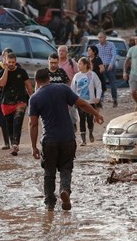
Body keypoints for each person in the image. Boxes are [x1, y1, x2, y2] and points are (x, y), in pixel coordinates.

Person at [28, 68, 104, 211]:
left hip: (49, 140)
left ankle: (50, 203)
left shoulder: (35, 98)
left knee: (49, 172)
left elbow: (33, 124)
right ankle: (65, 190)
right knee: (66, 168)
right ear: (49, 78)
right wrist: (96, 115)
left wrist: (33, 147)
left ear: (37, 82)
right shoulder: (62, 89)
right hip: (68, 138)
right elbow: (81, 104)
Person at [0, 52, 34, 156]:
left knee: (17, 123)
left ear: (16, 62)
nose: (11, 64)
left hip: (20, 101)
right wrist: (6, 70)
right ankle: (13, 143)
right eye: (9, 62)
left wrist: (33, 98)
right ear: (5, 62)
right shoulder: (1, 72)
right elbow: (2, 84)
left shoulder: (22, 72)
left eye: (13, 62)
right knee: (9, 125)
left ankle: (15, 144)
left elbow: (28, 86)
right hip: (6, 102)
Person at [71, 57, 102, 146]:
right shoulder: (76, 76)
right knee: (81, 120)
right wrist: (73, 100)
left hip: (90, 102)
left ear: (85, 65)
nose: (78, 65)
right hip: (80, 102)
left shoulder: (92, 75)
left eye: (80, 64)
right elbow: (73, 89)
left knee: (89, 119)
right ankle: (83, 139)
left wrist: (98, 97)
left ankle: (91, 132)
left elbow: (98, 86)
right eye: (78, 64)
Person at [95, 32, 118, 107]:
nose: (99, 39)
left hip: (110, 67)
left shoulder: (111, 45)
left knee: (112, 84)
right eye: (98, 37)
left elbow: (114, 55)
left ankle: (114, 99)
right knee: (100, 83)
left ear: (105, 37)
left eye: (101, 37)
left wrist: (111, 64)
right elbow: (96, 57)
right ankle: (100, 100)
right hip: (101, 67)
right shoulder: (97, 46)